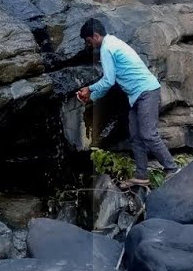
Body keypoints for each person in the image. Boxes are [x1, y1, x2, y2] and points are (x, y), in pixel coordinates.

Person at [75, 18, 178, 186]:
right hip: (137, 95)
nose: (89, 45)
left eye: (88, 41)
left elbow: (108, 81)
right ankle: (142, 176)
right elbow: (112, 80)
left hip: (146, 92)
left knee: (148, 134)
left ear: (95, 36)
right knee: (136, 137)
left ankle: (172, 169)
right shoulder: (114, 42)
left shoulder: (107, 48)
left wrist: (89, 89)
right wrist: (92, 96)